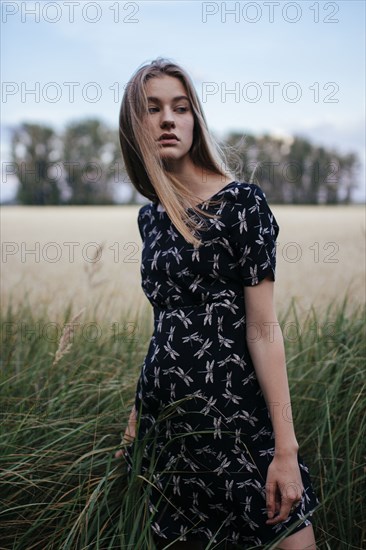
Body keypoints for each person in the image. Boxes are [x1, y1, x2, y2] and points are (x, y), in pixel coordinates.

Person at [116, 57, 319, 549]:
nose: (168, 118)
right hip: (171, 435)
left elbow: (264, 328)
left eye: (180, 108)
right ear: (134, 126)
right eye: (153, 108)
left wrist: (285, 449)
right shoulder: (153, 219)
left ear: (194, 120)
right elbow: (165, 329)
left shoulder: (243, 205)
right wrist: (134, 423)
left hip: (239, 424)